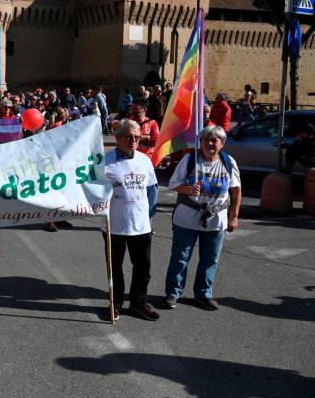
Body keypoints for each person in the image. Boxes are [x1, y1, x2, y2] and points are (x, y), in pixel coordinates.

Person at [162, 125, 242, 311]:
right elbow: (174, 184)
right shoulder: (189, 160)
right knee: (180, 258)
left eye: (214, 140)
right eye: (206, 139)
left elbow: (236, 190)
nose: (209, 143)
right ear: (201, 142)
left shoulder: (228, 162)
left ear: (222, 144)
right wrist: (188, 189)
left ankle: (203, 294)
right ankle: (173, 293)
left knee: (209, 260)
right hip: (186, 218)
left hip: (216, 220)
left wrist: (234, 217)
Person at [102, 119, 159, 321]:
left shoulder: (144, 160)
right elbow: (92, 190)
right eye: (129, 137)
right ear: (118, 138)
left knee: (143, 268)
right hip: (113, 226)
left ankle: (138, 303)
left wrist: (148, 215)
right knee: (115, 268)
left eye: (137, 137)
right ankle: (115, 303)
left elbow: (152, 190)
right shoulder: (104, 161)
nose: (134, 140)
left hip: (141, 225)